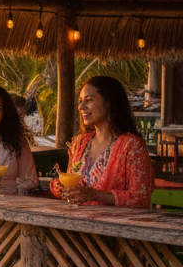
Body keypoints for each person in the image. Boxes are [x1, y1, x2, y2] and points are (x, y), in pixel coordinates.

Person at [50, 75, 153, 208]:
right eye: (80, 101)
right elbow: (72, 184)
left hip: (113, 226)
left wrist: (95, 195)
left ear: (109, 103)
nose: (82, 107)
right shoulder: (79, 144)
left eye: (89, 100)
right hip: (77, 221)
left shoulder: (132, 146)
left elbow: (140, 198)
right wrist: (64, 191)